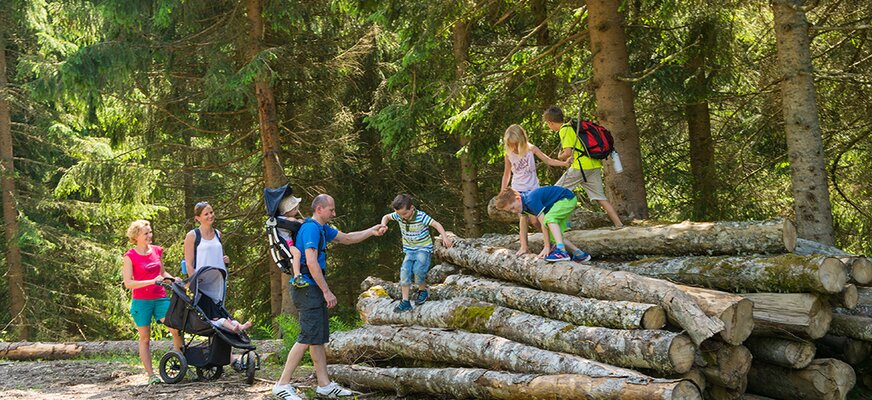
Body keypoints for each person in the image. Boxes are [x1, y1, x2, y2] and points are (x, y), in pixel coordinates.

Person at [272, 194, 386, 400]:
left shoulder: (322, 228)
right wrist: (326, 291)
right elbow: (311, 261)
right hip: (306, 288)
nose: (334, 213)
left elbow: (348, 238)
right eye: (331, 210)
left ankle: (324, 384)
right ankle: (282, 384)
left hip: (312, 287)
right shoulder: (311, 229)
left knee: (317, 339)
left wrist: (372, 231)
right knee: (307, 336)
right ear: (319, 209)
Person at [122, 220, 183, 385]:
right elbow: (128, 283)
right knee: (145, 338)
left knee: (175, 328)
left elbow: (162, 273)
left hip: (160, 298)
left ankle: (179, 363)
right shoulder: (130, 257)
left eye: (150, 232)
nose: (150, 235)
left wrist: (173, 279)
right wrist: (150, 281)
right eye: (146, 233)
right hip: (141, 301)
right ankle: (151, 375)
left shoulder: (157, 251)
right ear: (136, 237)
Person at [543, 106, 624, 228]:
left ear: (550, 122)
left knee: (557, 192)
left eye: (548, 125)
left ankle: (565, 226)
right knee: (600, 198)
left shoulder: (564, 130)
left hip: (580, 168)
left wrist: (560, 156)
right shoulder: (572, 127)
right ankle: (619, 224)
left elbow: (568, 153)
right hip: (593, 165)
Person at [379, 194, 453, 313]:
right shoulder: (399, 216)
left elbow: (436, 224)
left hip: (423, 248)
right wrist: (383, 225)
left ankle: (422, 290)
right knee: (404, 272)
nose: (402, 217)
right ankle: (405, 302)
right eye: (399, 214)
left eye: (404, 214)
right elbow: (386, 217)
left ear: (412, 208)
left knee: (418, 269)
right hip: (409, 250)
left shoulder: (421, 216)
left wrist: (444, 237)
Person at [500, 124, 569, 234]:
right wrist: (503, 191)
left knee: (536, 220)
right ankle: (525, 247)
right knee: (523, 218)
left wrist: (564, 163)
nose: (514, 147)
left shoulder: (531, 149)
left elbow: (548, 160)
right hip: (518, 189)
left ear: (522, 140)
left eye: (516, 144)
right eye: (511, 145)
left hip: (532, 188)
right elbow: (507, 173)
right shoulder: (508, 154)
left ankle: (552, 237)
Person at [494, 186, 591, 262]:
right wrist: (524, 247)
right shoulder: (522, 206)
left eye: (512, 208)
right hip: (557, 204)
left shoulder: (530, 200)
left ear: (518, 198)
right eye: (510, 211)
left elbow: (543, 223)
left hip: (566, 199)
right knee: (553, 236)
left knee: (549, 219)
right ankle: (580, 254)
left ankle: (561, 251)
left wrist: (547, 247)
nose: (514, 211)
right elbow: (522, 227)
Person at [276, 194, 306, 288]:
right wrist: (299, 221)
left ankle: (296, 275)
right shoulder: (284, 220)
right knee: (297, 254)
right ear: (287, 211)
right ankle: (297, 276)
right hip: (287, 245)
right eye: (294, 209)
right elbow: (293, 223)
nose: (297, 211)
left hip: (288, 243)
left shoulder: (281, 219)